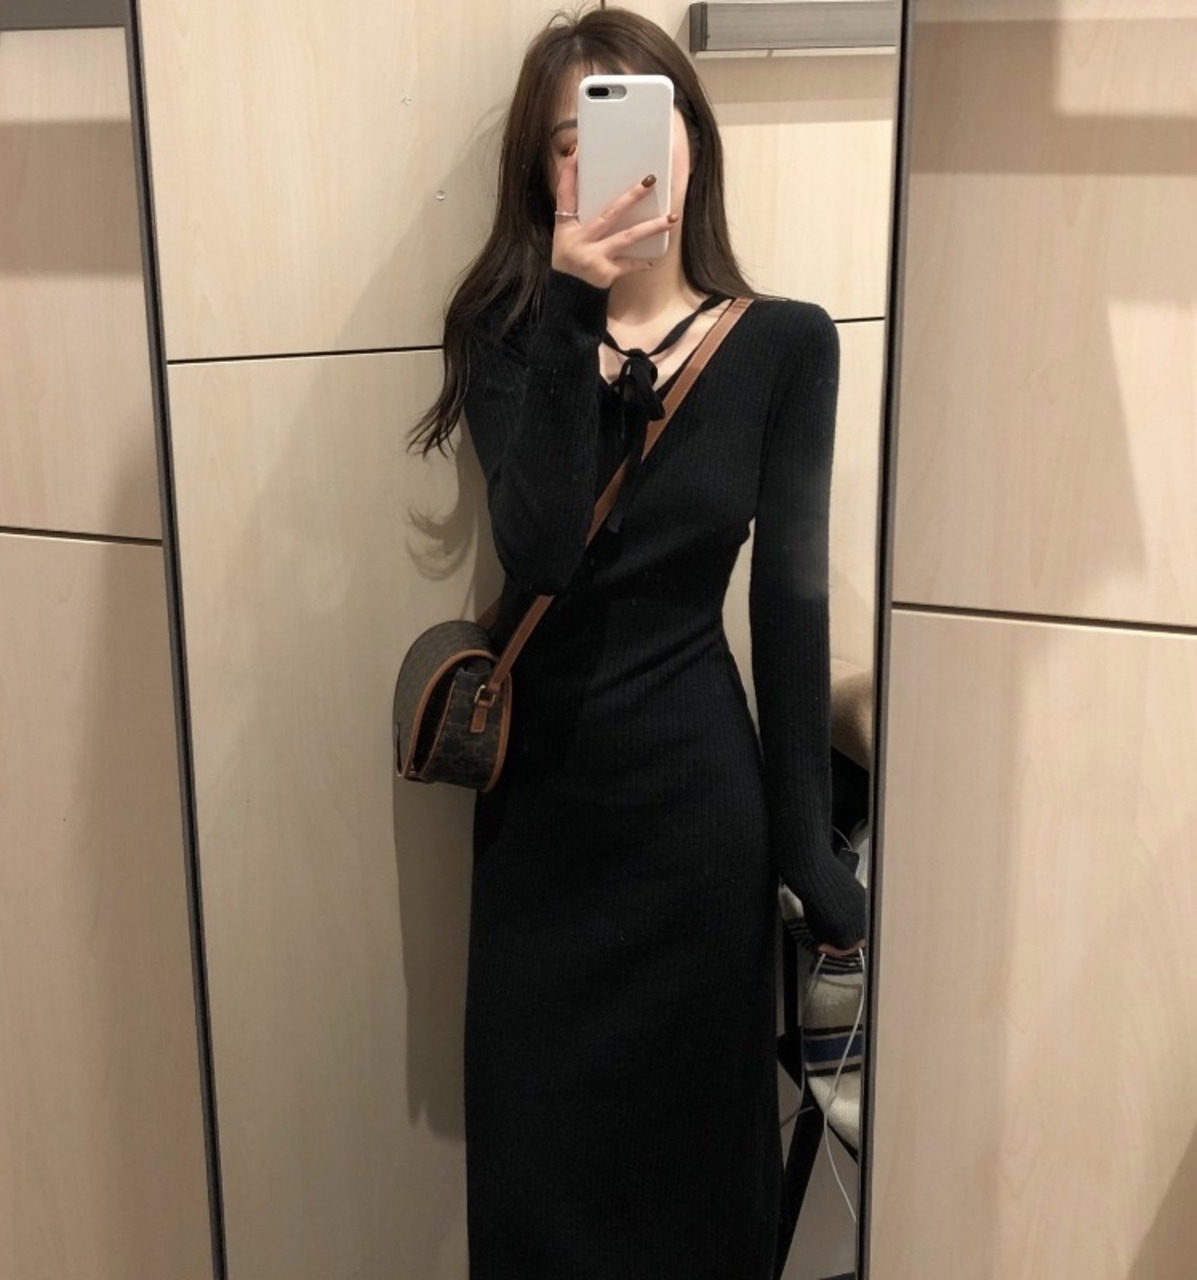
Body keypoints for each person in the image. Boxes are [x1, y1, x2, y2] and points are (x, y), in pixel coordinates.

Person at [410, 8, 866, 1277]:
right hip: (541, 829)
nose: (600, 158)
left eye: (629, 120)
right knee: (539, 1178)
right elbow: (543, 546)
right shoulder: (503, 333)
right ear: (541, 173)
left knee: (694, 1186)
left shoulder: (784, 345)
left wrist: (810, 857)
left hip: (695, 829)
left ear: (690, 139)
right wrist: (570, 304)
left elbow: (788, 608)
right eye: (570, 140)